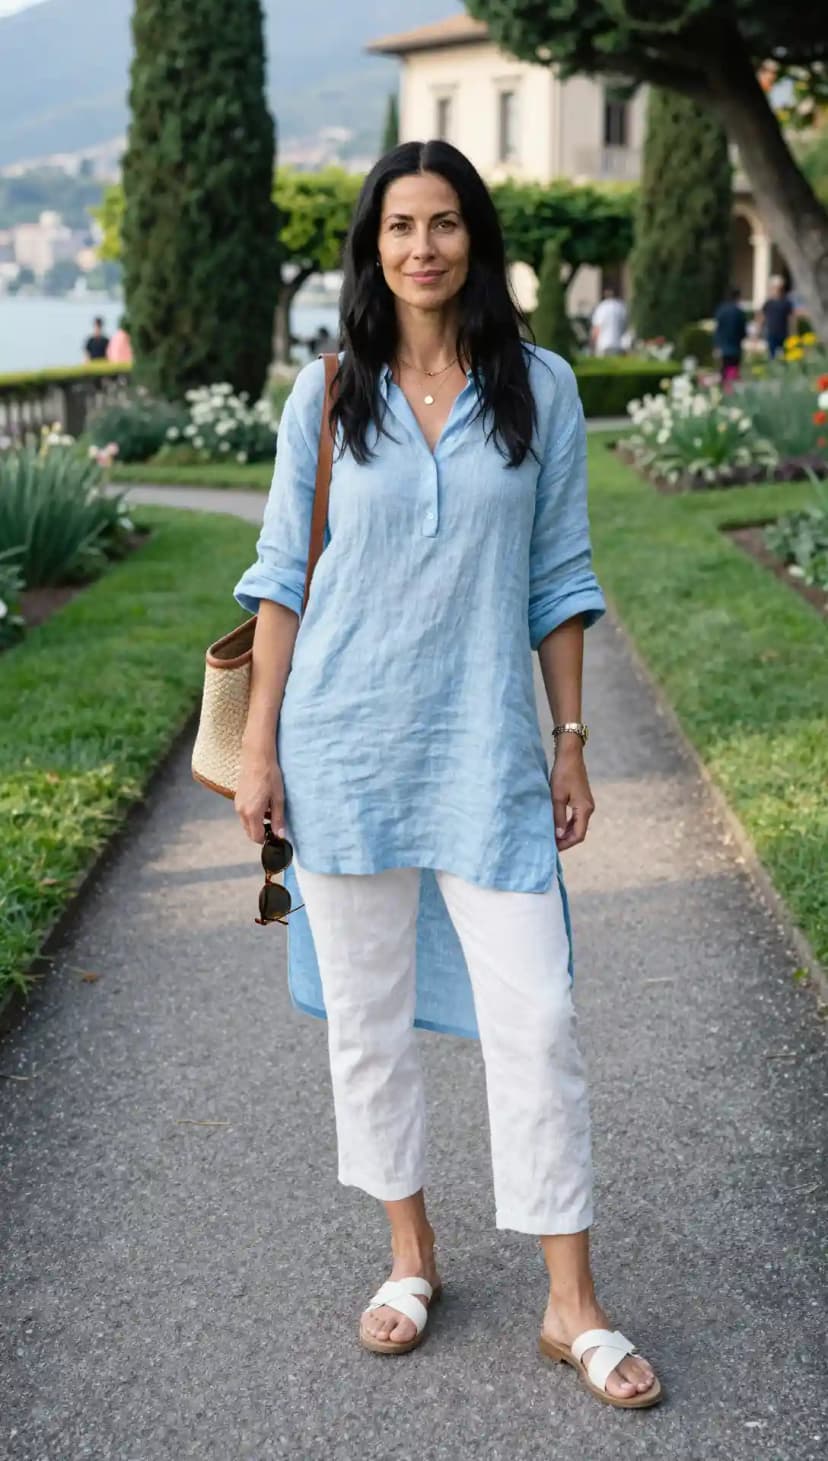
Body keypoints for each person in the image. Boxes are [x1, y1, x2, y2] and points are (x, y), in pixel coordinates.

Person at [233, 139, 661, 1409]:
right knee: (368, 1024)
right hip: (342, 748)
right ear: (373, 247)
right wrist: (259, 746)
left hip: (484, 750)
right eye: (400, 226)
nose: (423, 247)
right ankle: (410, 1257)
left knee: (539, 1019)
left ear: (476, 238)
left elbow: (560, 575)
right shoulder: (329, 392)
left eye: (445, 223)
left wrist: (570, 738)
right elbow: (281, 577)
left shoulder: (542, 387)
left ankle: (571, 1304)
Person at [714, 286, 747, 383]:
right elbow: (742, 331)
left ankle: (724, 388)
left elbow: (717, 328)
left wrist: (716, 344)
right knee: (733, 373)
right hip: (735, 348)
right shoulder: (739, 312)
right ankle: (730, 389)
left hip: (723, 347)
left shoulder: (721, 310)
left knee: (723, 372)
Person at [758, 275, 795, 359]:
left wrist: (793, 333)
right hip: (771, 333)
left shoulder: (787, 303)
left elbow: (791, 319)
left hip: (784, 334)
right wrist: (757, 333)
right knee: (772, 357)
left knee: (786, 357)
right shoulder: (768, 303)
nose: (778, 290)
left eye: (780, 288)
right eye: (775, 288)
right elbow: (761, 318)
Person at [590, 285, 627, 357]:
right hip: (618, 344)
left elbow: (596, 328)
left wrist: (592, 345)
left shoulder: (601, 307)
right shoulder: (621, 307)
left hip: (603, 344)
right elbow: (625, 327)